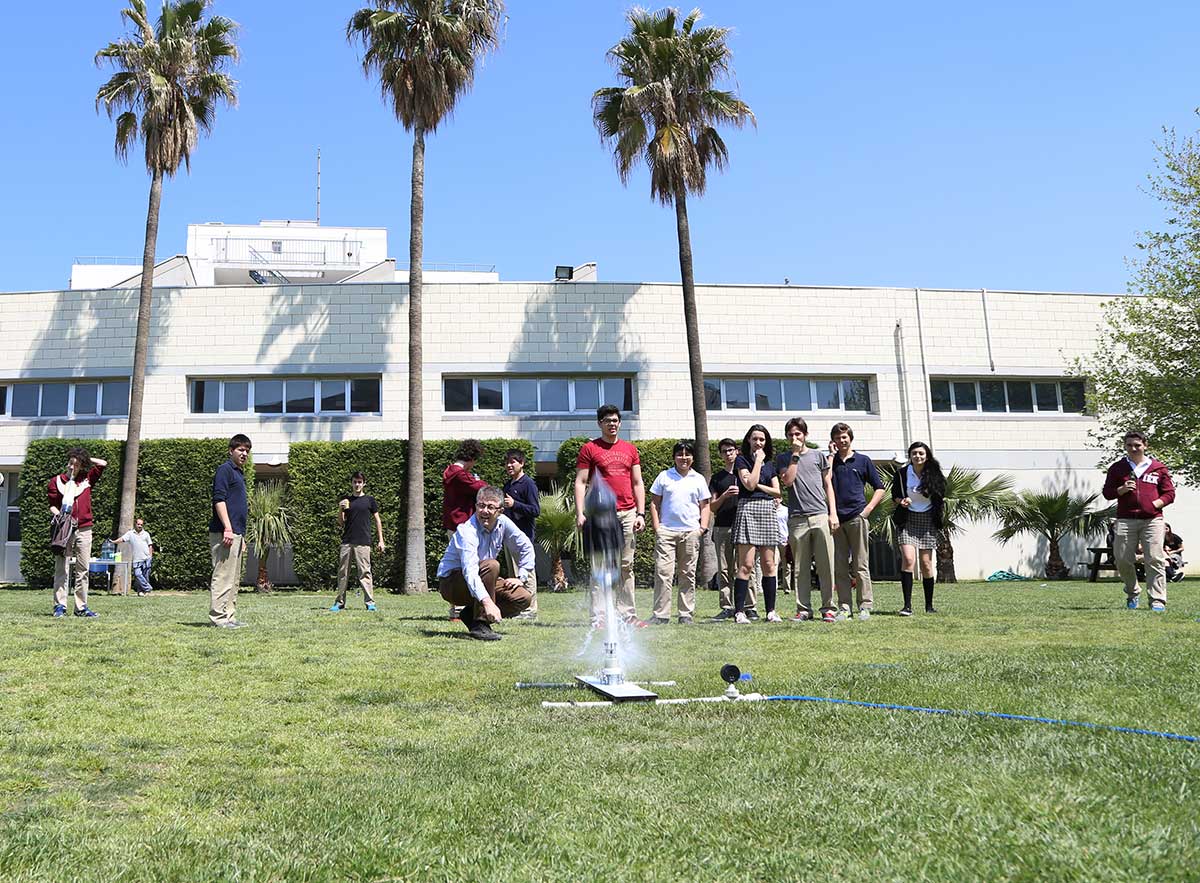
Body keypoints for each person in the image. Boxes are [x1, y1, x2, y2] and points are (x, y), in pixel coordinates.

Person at [575, 405, 645, 625]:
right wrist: (580, 513)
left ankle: (627, 614)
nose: (612, 424)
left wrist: (641, 513)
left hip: (628, 513)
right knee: (601, 566)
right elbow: (581, 482)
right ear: (600, 423)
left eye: (615, 420)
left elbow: (637, 482)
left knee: (626, 565)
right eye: (607, 421)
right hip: (601, 516)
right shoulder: (590, 449)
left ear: (620, 423)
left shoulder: (630, 449)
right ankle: (600, 616)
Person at [437, 486, 534, 641]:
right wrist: (487, 602)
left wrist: (521, 577)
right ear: (476, 506)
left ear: (500, 511)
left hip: (482, 577)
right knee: (492, 565)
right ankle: (481, 624)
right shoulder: (467, 531)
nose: (484, 511)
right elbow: (470, 571)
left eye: (490, 507)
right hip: (452, 584)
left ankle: (470, 615)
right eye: (481, 506)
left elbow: (525, 546)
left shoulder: (503, 523)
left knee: (522, 597)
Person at [1102, 431, 1175, 611]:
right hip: (1126, 520)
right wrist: (1121, 489)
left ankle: (1157, 600)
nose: (1133, 448)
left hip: (1152, 520)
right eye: (1129, 445)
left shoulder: (1158, 468)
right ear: (1125, 446)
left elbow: (1169, 493)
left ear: (1145, 445)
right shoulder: (1117, 468)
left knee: (1155, 559)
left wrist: (1155, 504)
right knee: (1122, 559)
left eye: (1137, 445)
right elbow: (1107, 493)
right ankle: (1132, 592)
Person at [776, 418, 839, 623]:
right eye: (790, 435)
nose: (794, 437)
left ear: (805, 435)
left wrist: (833, 513)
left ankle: (829, 608)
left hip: (820, 515)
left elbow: (828, 485)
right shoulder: (783, 458)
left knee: (826, 565)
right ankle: (803, 609)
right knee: (800, 568)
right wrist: (794, 456)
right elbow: (788, 481)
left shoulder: (818, 456)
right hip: (797, 519)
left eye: (798, 434)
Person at [646, 441, 712, 624]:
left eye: (687, 454)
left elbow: (705, 506)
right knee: (663, 573)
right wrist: (657, 528)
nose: (684, 458)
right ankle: (661, 615)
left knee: (688, 574)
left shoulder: (698, 479)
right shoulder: (664, 476)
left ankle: (685, 613)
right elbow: (654, 503)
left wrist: (701, 528)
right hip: (666, 532)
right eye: (680, 454)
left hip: (690, 532)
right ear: (674, 457)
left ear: (693, 457)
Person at [828, 422, 886, 620]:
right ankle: (844, 607)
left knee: (861, 564)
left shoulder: (863, 460)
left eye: (844, 437)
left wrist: (867, 510)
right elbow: (825, 481)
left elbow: (879, 488)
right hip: (836, 520)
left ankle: (865, 606)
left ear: (850, 438)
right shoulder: (830, 461)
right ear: (833, 441)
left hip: (857, 517)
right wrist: (830, 457)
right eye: (837, 438)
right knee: (840, 566)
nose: (841, 440)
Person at [47, 447, 108, 618]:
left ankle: (81, 607)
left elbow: (103, 463)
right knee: (62, 568)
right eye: (71, 463)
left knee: (83, 569)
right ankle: (60, 606)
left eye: (77, 464)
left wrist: (85, 458)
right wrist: (60, 516)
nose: (73, 467)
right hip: (65, 530)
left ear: (82, 466)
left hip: (84, 528)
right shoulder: (57, 482)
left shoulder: (87, 480)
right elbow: (52, 505)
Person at [732, 424, 783, 624]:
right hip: (748, 509)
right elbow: (749, 484)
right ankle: (740, 612)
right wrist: (758, 462)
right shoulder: (741, 460)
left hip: (767, 510)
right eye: (755, 439)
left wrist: (761, 485)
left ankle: (771, 611)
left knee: (769, 564)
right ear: (749, 440)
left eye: (762, 439)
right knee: (746, 564)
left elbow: (777, 491)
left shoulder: (770, 464)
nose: (758, 443)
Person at [890, 441, 946, 616]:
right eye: (914, 453)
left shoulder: (934, 473)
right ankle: (907, 606)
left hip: (928, 518)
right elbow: (894, 495)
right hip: (907, 519)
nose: (918, 456)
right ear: (910, 456)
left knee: (926, 564)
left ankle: (929, 606)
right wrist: (902, 501)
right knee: (908, 559)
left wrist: (930, 491)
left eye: (921, 453)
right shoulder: (902, 474)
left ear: (927, 456)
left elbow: (941, 493)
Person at [709, 438, 757, 621]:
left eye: (731, 450)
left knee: (747, 566)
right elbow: (712, 506)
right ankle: (727, 606)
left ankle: (750, 606)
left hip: (745, 526)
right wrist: (724, 496)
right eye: (724, 451)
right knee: (724, 568)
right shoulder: (717, 478)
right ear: (721, 455)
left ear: (737, 451)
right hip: (723, 527)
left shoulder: (745, 474)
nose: (728, 454)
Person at [442, 439, 489, 619]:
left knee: (458, 565)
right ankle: (459, 610)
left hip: (453, 525)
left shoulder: (450, 471)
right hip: (461, 525)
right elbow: (481, 488)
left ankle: (457, 608)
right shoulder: (460, 475)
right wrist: (478, 480)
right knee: (465, 566)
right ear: (471, 458)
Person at [210, 434, 251, 629]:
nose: (244, 454)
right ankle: (219, 618)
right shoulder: (225, 470)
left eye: (247, 451)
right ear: (231, 451)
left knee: (233, 579)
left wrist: (240, 536)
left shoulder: (239, 473)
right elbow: (219, 499)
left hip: (236, 534)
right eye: (241, 449)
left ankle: (229, 616)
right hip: (224, 532)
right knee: (223, 576)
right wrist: (227, 528)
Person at [330, 471, 384, 612]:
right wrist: (340, 509)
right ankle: (339, 603)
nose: (357, 484)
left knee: (365, 573)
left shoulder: (369, 500)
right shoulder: (346, 500)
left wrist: (381, 540)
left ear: (364, 484)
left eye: (360, 482)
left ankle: (370, 603)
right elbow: (341, 523)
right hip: (347, 542)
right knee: (343, 573)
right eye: (355, 482)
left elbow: (377, 520)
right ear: (352, 483)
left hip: (363, 542)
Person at [502, 449, 541, 619]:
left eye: (513, 462)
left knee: (526, 573)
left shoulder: (528, 484)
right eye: (507, 463)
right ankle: (518, 607)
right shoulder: (508, 485)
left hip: (523, 536)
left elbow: (535, 510)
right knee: (514, 575)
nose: (509, 465)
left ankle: (530, 610)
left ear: (522, 463)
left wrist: (514, 504)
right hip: (508, 537)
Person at [117, 517, 155, 596]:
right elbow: (122, 539)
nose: (140, 526)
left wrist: (150, 556)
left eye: (141, 524)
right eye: (138, 524)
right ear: (135, 524)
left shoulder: (146, 534)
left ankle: (141, 591)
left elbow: (150, 545)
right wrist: (114, 542)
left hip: (146, 558)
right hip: (136, 559)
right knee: (138, 575)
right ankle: (148, 588)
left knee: (145, 576)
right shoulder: (130, 533)